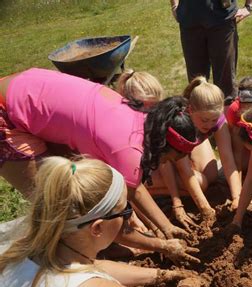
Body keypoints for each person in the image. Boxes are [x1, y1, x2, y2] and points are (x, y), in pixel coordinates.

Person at [0, 68, 199, 262]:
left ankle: (98, 245)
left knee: (79, 187)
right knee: (61, 203)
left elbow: (134, 188)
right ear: (161, 145)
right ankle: (66, 258)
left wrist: (165, 227)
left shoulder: (143, 116)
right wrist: (162, 245)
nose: (163, 163)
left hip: (27, 87)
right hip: (7, 114)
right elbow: (107, 217)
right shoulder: (128, 148)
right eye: (167, 159)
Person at [0, 156, 203, 287]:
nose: (129, 219)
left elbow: (92, 267)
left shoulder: (23, 251)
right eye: (125, 212)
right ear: (96, 228)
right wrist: (188, 286)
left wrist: (162, 275)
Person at [147, 77, 242, 231]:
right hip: (159, 160)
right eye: (205, 120)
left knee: (211, 174)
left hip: (182, 152)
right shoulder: (181, 122)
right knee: (201, 183)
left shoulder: (214, 120)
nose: (210, 125)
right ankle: (150, 190)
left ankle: (179, 189)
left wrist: (237, 197)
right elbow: (183, 168)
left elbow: (227, 159)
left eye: (214, 119)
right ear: (190, 110)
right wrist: (204, 208)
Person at [169, 0, 252, 101]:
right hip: (190, 21)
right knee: (196, 83)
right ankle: (200, 113)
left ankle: (226, 115)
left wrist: (249, 6)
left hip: (222, 20)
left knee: (226, 83)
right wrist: (174, 6)